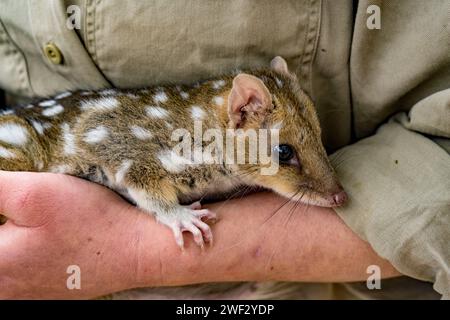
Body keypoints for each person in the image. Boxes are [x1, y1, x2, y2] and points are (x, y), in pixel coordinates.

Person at [0, 0, 448, 299]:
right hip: (32, 153)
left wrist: (128, 250)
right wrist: (170, 213)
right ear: (240, 113)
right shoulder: (190, 143)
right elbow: (133, 164)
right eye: (286, 155)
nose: (330, 190)